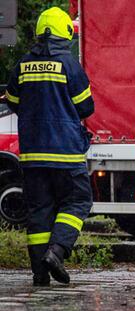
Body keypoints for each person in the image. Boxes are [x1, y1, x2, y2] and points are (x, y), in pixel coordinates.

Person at [5, 7, 94, 285]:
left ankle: (39, 273)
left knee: (40, 211)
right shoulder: (69, 64)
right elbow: (85, 107)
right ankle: (57, 252)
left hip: (32, 155)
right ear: (63, 31)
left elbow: (12, 101)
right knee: (77, 201)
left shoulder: (22, 64)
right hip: (66, 153)